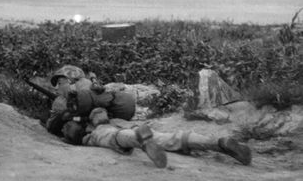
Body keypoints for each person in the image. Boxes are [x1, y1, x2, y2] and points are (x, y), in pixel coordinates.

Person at [45, 65, 252, 168]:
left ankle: (139, 141)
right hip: (119, 119)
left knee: (115, 137)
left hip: (96, 128)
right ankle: (217, 142)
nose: (57, 87)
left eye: (59, 82)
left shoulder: (61, 101)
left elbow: (52, 126)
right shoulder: (96, 89)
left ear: (65, 81)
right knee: (165, 137)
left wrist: (59, 117)